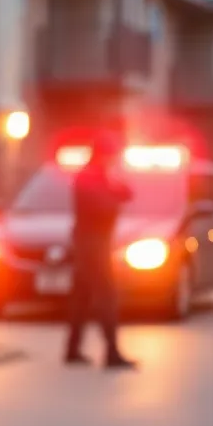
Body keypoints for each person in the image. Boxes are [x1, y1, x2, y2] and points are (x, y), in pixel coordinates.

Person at [65, 131, 137, 369]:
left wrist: (115, 186)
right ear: (102, 155)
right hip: (92, 246)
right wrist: (114, 199)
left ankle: (72, 350)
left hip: (91, 244)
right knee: (106, 297)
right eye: (111, 155)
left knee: (82, 298)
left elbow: (127, 192)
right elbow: (104, 207)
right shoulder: (89, 178)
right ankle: (112, 353)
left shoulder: (99, 176)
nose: (113, 160)